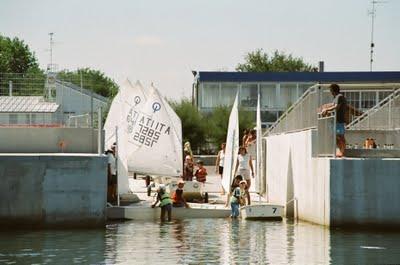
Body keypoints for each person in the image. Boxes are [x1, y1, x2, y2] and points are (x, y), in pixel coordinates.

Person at [321, 84, 347, 157]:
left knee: (340, 136)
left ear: (333, 90)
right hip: (336, 120)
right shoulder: (336, 97)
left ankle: (342, 151)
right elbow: (333, 105)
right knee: (336, 136)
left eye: (331, 90)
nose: (330, 92)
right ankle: (340, 151)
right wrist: (325, 109)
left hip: (339, 120)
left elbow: (336, 107)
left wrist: (326, 109)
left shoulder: (340, 97)